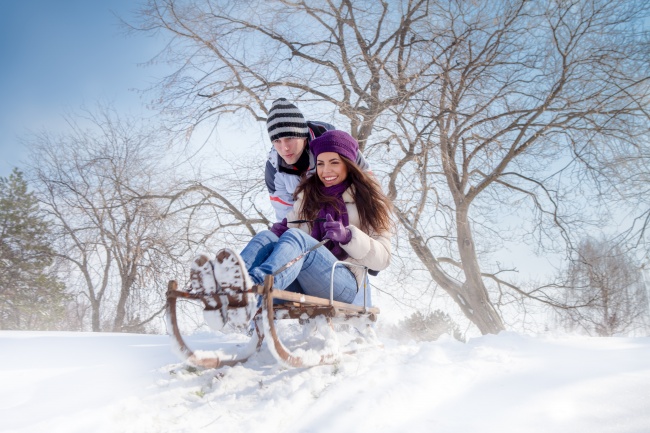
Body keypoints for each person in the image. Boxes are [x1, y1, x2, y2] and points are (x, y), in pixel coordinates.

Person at [192, 130, 393, 329]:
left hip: (343, 283)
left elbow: (383, 258)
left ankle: (252, 290)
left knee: (296, 237)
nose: (326, 171)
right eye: (321, 163)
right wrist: (274, 234)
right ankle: (225, 292)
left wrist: (349, 237)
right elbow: (288, 227)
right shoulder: (308, 195)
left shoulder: (369, 200)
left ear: (349, 164)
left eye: (334, 162)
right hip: (304, 280)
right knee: (266, 237)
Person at [265, 98, 371, 221]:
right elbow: (286, 215)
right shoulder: (274, 169)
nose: (285, 148)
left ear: (303, 136)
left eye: (290, 138)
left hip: (352, 216)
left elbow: (369, 186)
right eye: (277, 141)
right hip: (310, 227)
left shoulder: (337, 144)